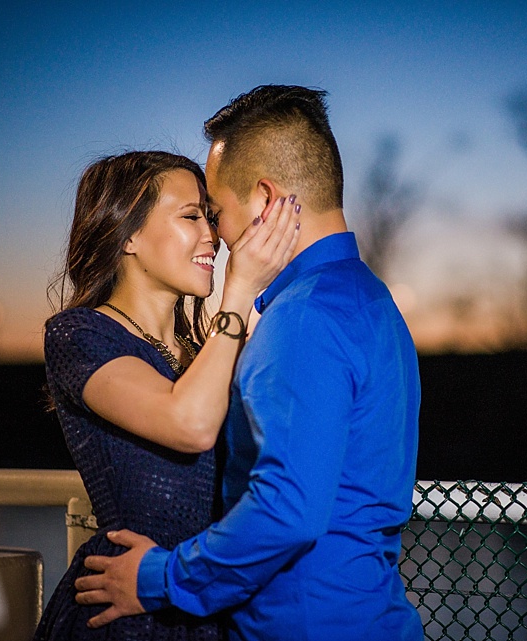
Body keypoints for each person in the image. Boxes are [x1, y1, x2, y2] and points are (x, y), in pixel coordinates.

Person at [75, 85, 424, 640]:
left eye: (214, 212)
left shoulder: (303, 317)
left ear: (265, 200)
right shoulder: (371, 301)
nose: (217, 234)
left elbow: (287, 512)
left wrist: (161, 578)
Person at [34, 149, 300, 640]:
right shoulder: (78, 336)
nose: (212, 237)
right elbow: (190, 424)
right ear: (129, 234)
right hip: (125, 612)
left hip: (200, 596)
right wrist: (237, 293)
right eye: (190, 216)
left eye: (211, 217)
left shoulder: (206, 351)